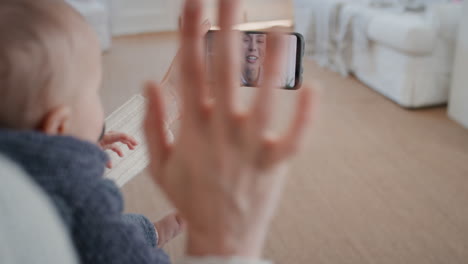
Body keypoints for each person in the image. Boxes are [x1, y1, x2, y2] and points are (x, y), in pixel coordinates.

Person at [0, 0, 184, 263]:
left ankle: (152, 232)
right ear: (59, 126)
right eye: (94, 91)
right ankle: (150, 233)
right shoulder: (84, 205)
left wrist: (74, 150)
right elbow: (104, 241)